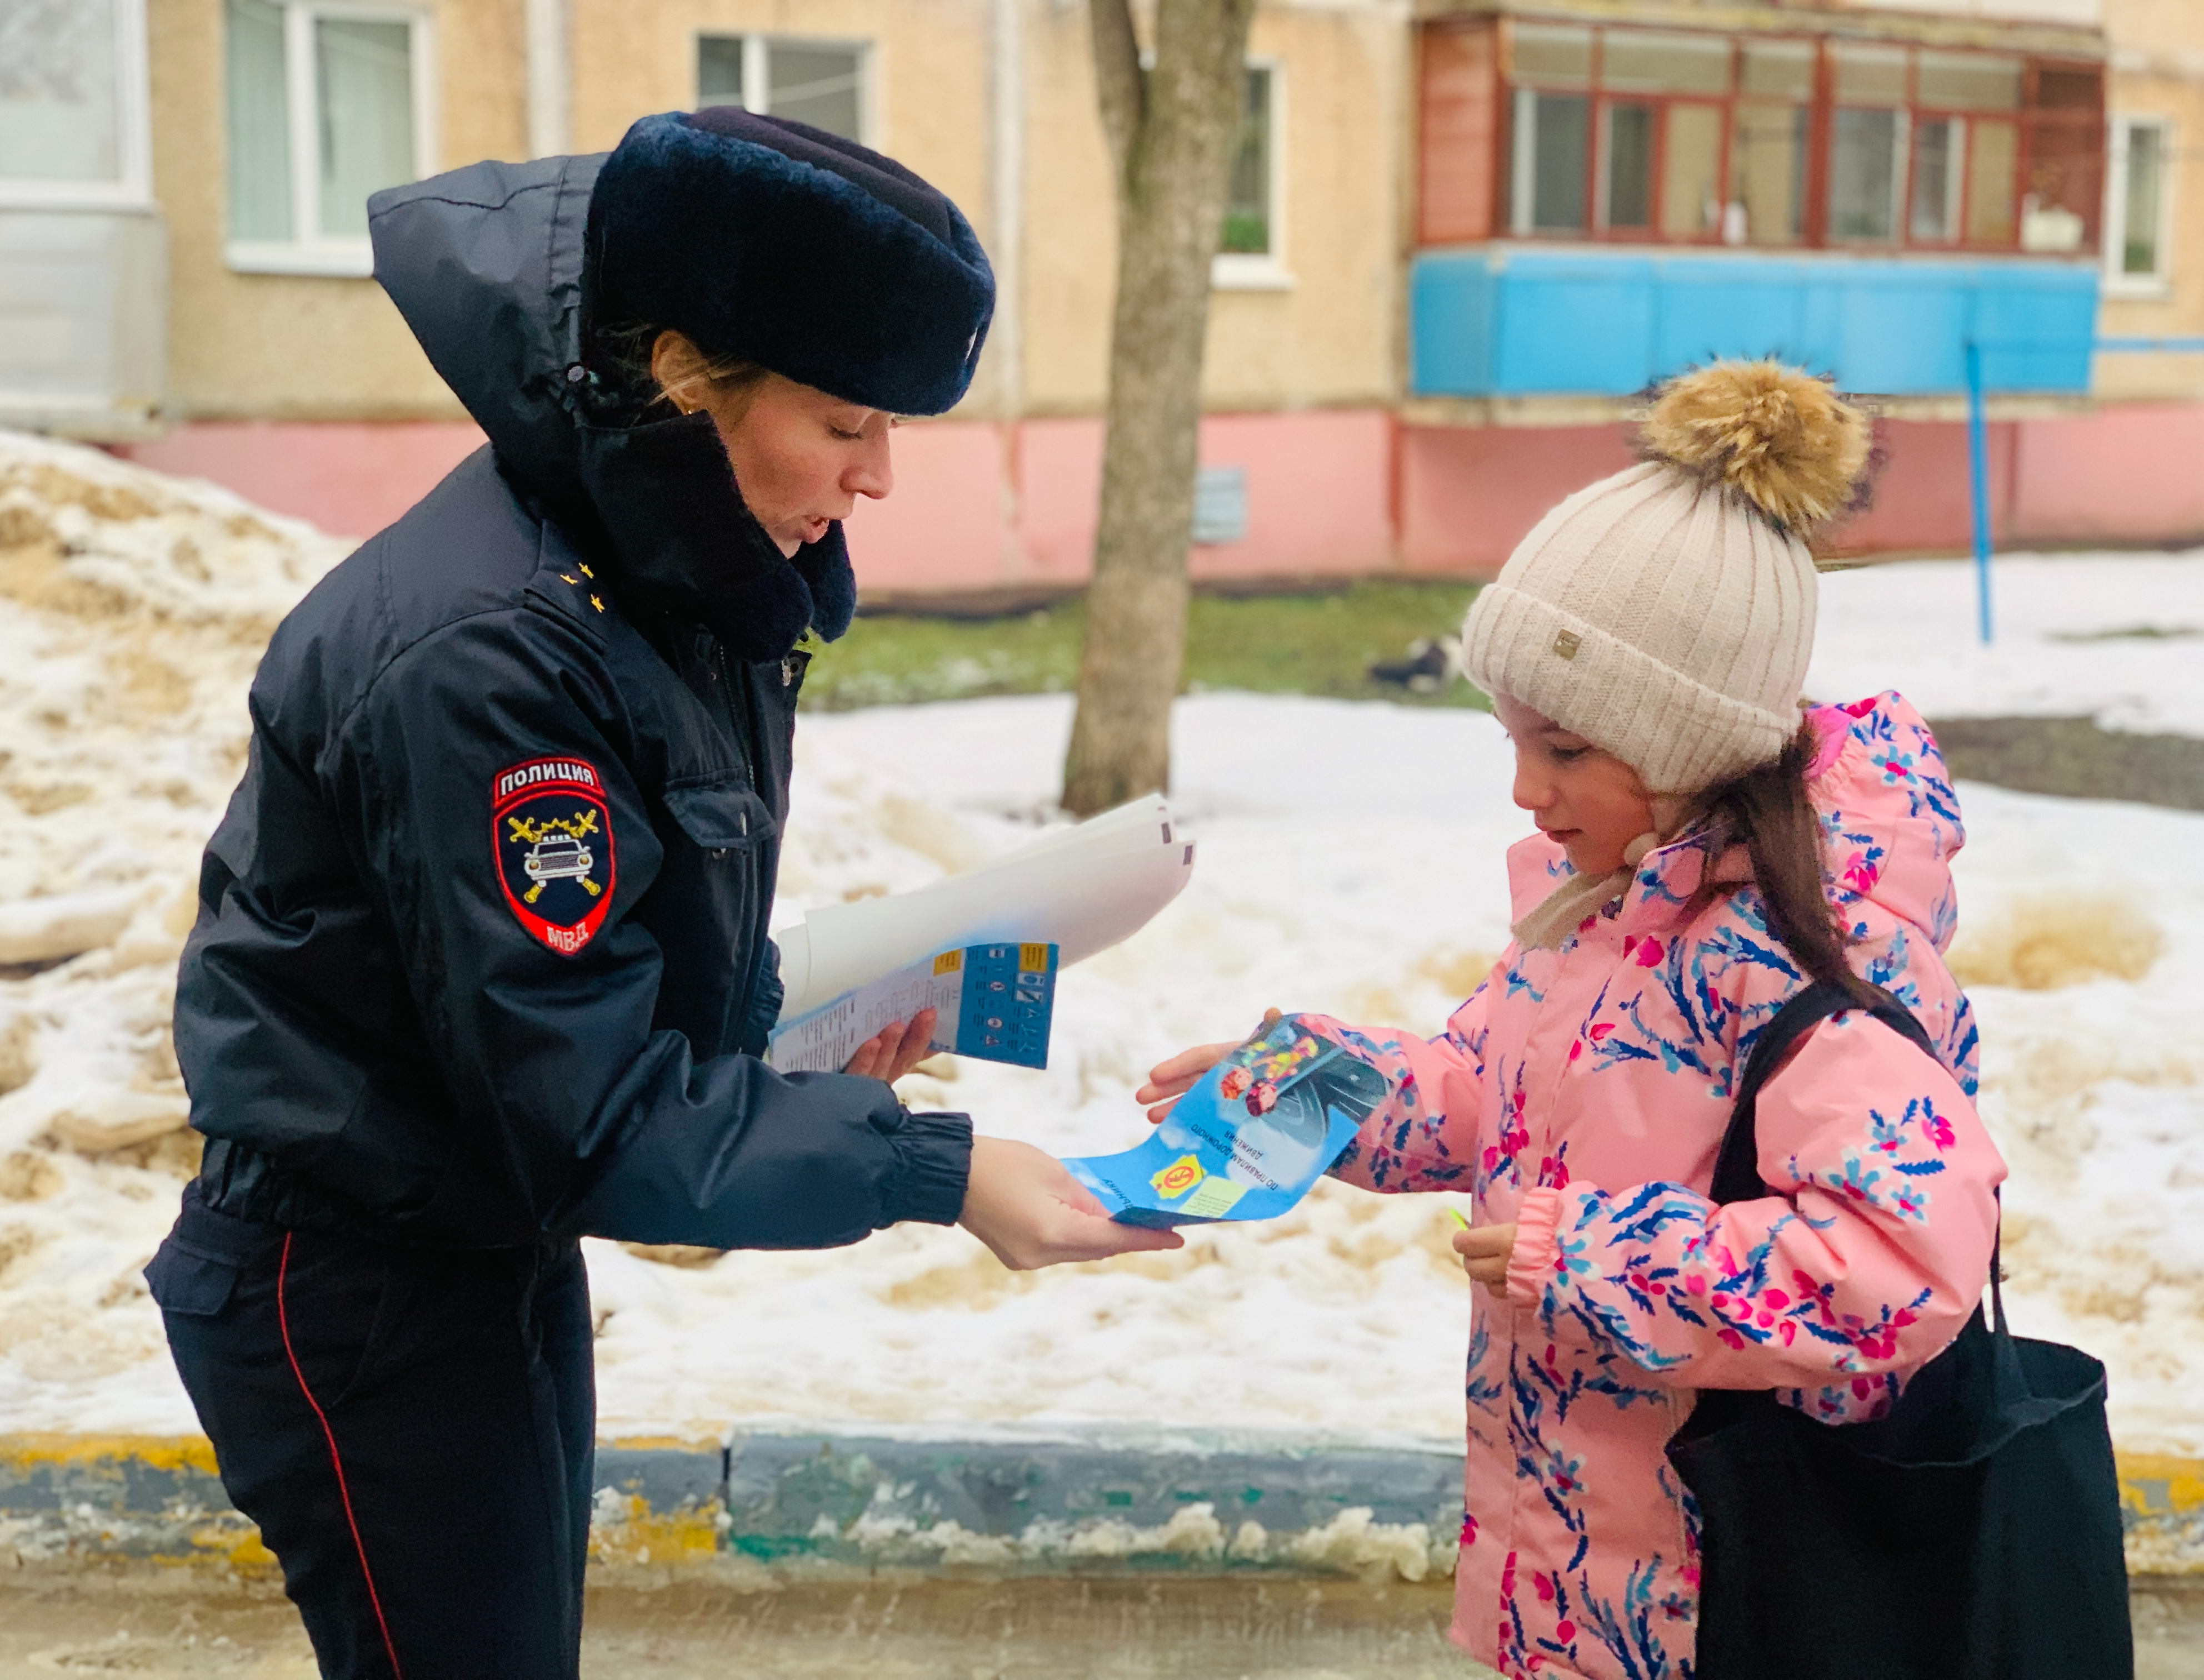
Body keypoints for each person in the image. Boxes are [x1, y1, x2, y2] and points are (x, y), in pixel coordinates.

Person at [147, 109, 1177, 1680]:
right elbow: (590, 1113)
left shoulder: (658, 565)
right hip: (356, 1286)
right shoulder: (495, 653)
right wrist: (936, 1172)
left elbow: (603, 978)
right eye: (845, 420)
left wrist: (794, 1028)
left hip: (469, 1241)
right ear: (691, 374)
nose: (879, 476)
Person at [1140, 362, 2006, 1680]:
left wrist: (1592, 1258)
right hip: (1566, 1566)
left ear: (1692, 739)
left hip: (1728, 1594)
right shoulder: (1603, 918)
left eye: (1564, 749)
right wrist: (1301, 1090)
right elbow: (1483, 1089)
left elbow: (1900, 1268)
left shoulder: (1800, 958)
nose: (1524, 790)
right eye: (1513, 740)